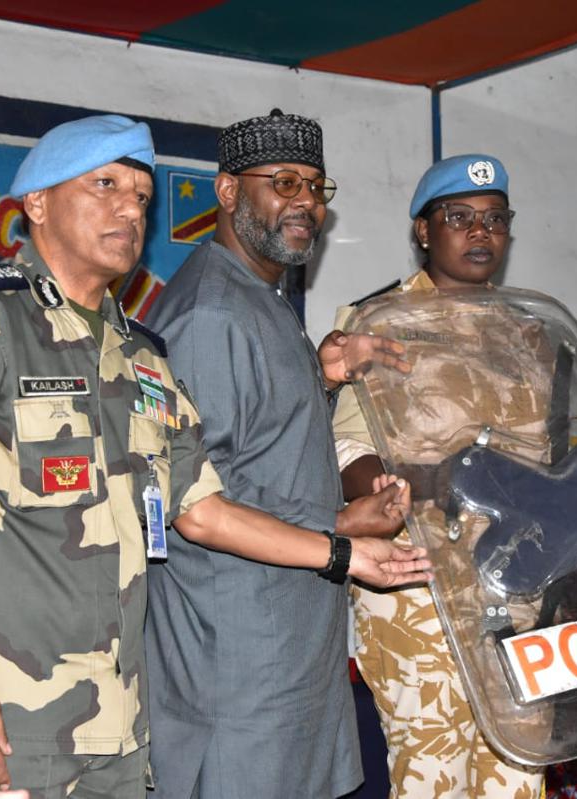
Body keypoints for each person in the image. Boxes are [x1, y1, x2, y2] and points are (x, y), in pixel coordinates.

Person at [0, 114, 427, 799]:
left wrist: (344, 552)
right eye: (105, 184)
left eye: (143, 196)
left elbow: (202, 510)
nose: (129, 207)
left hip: (119, 741)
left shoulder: (143, 359)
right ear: (36, 204)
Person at [142, 109, 411, 799]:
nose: (306, 203)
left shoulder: (261, 298)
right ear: (227, 193)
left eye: (317, 187)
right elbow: (198, 506)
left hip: (291, 665)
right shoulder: (211, 313)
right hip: (236, 677)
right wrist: (343, 535)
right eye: (284, 181)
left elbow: (258, 454)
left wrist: (322, 381)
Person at [333, 154, 548, 798]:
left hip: (517, 592)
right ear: (423, 231)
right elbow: (348, 448)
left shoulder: (530, 335)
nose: (480, 233)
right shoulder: (377, 323)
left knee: (519, 778)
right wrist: (393, 493)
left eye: (494, 220)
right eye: (460, 218)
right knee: (434, 780)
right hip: (419, 586)